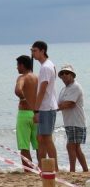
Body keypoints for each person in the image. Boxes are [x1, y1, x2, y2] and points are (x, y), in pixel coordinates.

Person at [31, 40, 58, 170]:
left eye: (35, 51)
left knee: (46, 139)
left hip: (46, 107)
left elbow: (42, 90)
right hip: (46, 107)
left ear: (42, 51)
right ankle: (41, 167)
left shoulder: (46, 67)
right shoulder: (47, 65)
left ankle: (55, 168)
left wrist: (36, 111)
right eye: (32, 51)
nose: (32, 53)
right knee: (40, 138)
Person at [57, 64, 88, 172]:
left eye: (67, 73)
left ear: (72, 75)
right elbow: (60, 104)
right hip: (70, 122)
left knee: (71, 146)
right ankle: (85, 170)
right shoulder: (63, 89)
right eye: (62, 74)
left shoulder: (75, 87)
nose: (64, 75)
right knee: (76, 148)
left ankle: (72, 170)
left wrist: (52, 109)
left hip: (76, 122)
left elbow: (70, 104)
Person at [14, 55, 39, 171]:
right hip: (36, 113)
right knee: (39, 146)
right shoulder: (36, 77)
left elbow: (18, 90)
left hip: (24, 114)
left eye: (18, 65)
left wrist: (23, 99)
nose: (16, 68)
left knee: (24, 146)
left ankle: (28, 170)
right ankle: (42, 169)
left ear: (22, 65)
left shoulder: (22, 77)